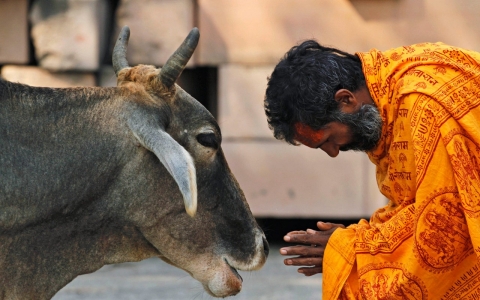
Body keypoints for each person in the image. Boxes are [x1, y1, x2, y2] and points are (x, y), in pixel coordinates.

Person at [264, 40, 480, 299]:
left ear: (346, 99)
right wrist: (355, 241)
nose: (333, 152)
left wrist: (353, 248)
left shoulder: (423, 106)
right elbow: (417, 205)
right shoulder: (387, 87)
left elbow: (446, 231)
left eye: (329, 140)